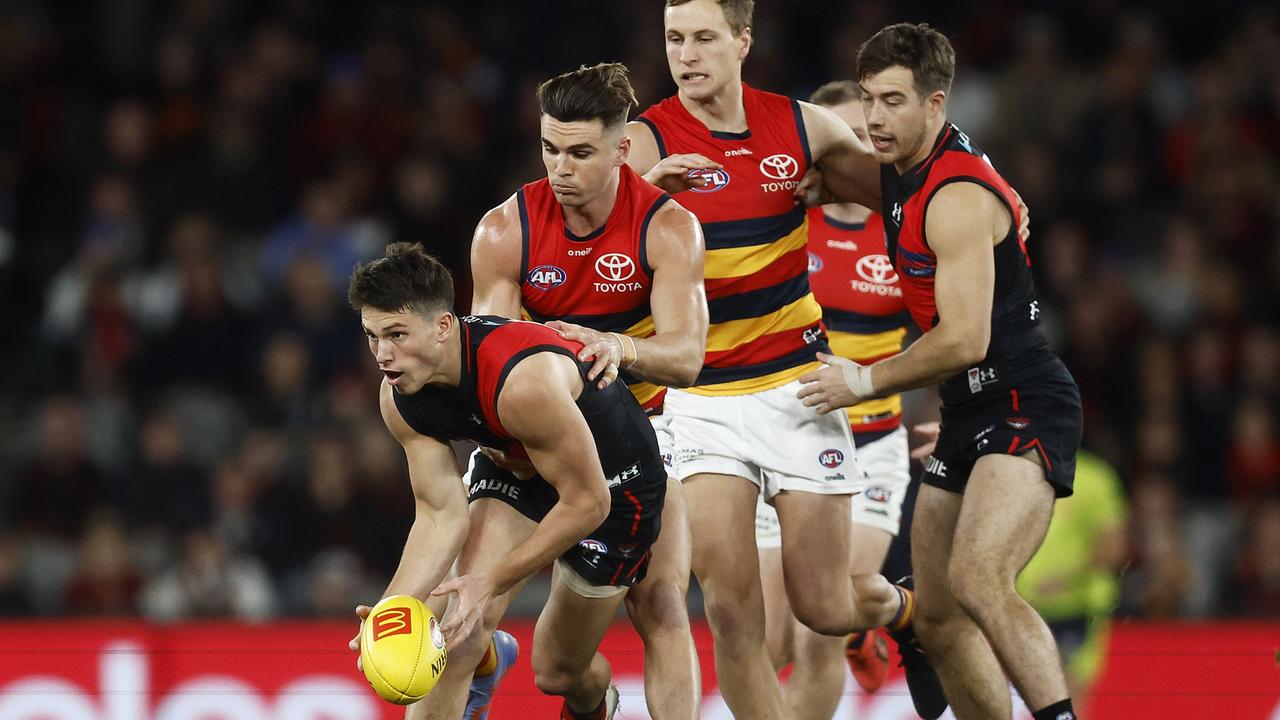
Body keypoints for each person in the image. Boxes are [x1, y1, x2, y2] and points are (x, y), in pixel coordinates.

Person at [624, 2, 941, 718]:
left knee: (826, 609)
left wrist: (986, 192)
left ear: (742, 41)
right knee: (736, 620)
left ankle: (906, 615)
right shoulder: (646, 143)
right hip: (702, 401)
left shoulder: (802, 126)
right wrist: (641, 204)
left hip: (799, 393)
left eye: (704, 38)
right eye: (675, 39)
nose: (687, 54)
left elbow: (905, 191)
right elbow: (587, 250)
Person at [797, 22, 1085, 720]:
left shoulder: (957, 193)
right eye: (868, 99)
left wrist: (862, 382)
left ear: (936, 103)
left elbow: (963, 337)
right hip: (965, 412)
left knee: (980, 579)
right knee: (939, 620)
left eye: (893, 101)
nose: (874, 118)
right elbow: (821, 163)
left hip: (1022, 398)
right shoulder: (902, 170)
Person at [468, 62, 707, 720]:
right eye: (550, 148)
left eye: (580, 152)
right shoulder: (504, 230)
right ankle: (589, 701)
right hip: (538, 443)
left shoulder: (668, 227)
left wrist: (619, 348)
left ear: (621, 149)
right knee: (529, 652)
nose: (560, 168)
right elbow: (492, 351)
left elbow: (688, 357)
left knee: (659, 606)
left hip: (646, 435)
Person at [345, 243, 667, 720]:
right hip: (517, 469)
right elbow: (438, 514)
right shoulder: (399, 398)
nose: (383, 355)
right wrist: (395, 606)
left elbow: (587, 503)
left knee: (558, 672)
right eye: (372, 336)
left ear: (442, 326)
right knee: (455, 632)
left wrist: (490, 581)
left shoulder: (521, 382)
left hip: (616, 490)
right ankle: (482, 655)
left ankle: (593, 701)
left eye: (396, 334)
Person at [754, 79, 912, 720]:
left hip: (873, 442)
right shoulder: (787, 223)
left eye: (863, 134)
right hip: (789, 439)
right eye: (839, 134)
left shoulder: (905, 229)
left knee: (822, 624)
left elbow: (955, 332)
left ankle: (863, 623)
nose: (855, 145)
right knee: (770, 639)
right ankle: (864, 627)